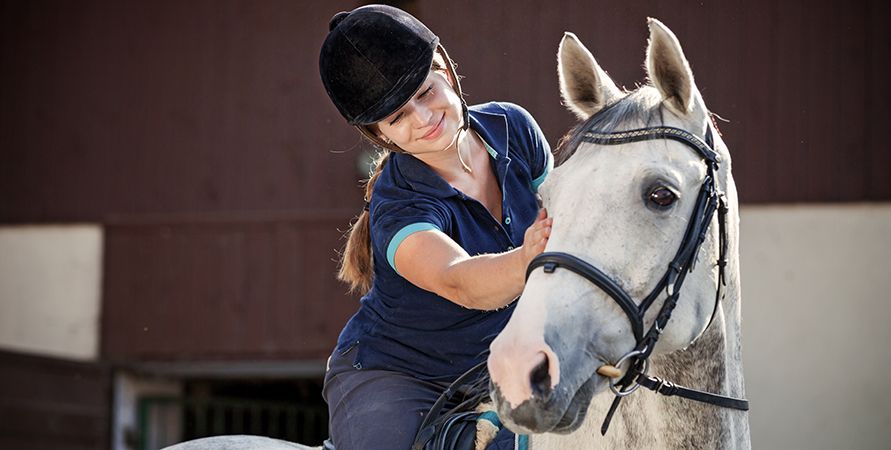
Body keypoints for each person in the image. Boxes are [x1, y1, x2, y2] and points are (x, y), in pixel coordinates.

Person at [318, 5, 553, 449]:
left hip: (497, 361)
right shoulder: (397, 204)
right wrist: (527, 258)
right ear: (379, 134)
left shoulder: (514, 127)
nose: (423, 119)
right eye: (397, 117)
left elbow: (567, 214)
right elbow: (458, 281)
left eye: (426, 92)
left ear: (445, 66)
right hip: (396, 375)